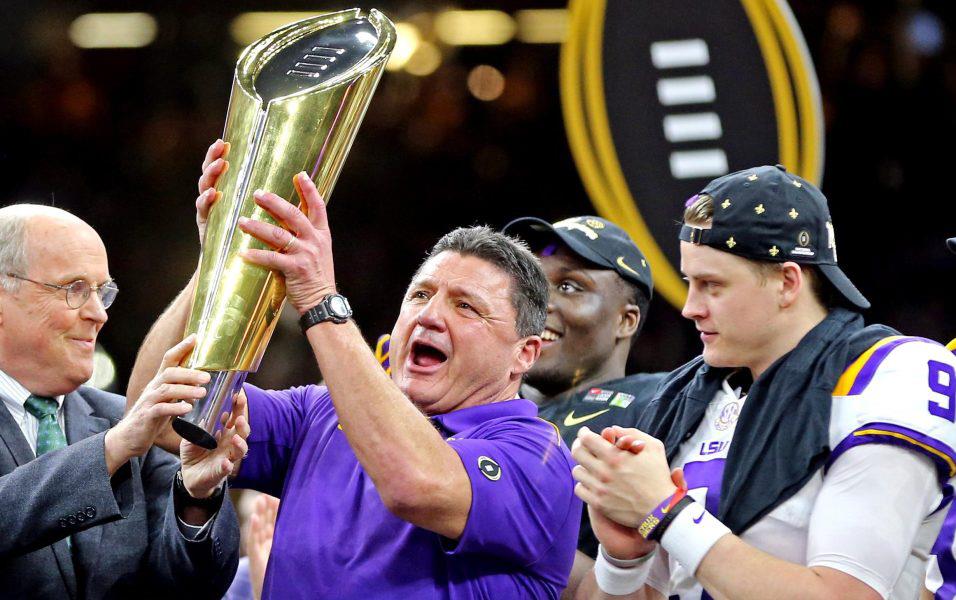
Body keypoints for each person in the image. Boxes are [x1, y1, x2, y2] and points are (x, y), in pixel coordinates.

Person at [126, 140, 581, 598]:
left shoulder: (537, 459)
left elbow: (414, 484)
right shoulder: (319, 413)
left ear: (525, 354)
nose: (430, 316)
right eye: (421, 295)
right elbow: (157, 411)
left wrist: (320, 300)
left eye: (467, 307)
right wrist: (219, 264)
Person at [571, 165, 956, 599]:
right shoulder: (682, 396)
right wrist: (623, 560)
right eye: (689, 283)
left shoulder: (890, 373)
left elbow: (846, 594)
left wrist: (667, 514)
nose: (690, 307)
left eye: (711, 284)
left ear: (787, 282)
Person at [0, 203, 246, 599]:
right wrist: (110, 450)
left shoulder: (127, 420)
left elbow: (193, 588)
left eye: (102, 292)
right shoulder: (126, 433)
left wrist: (196, 498)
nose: (99, 314)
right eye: (74, 289)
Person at [502, 215, 667, 594]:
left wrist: (476, 519)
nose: (540, 304)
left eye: (570, 286)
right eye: (532, 287)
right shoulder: (483, 403)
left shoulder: (658, 401)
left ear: (626, 321)